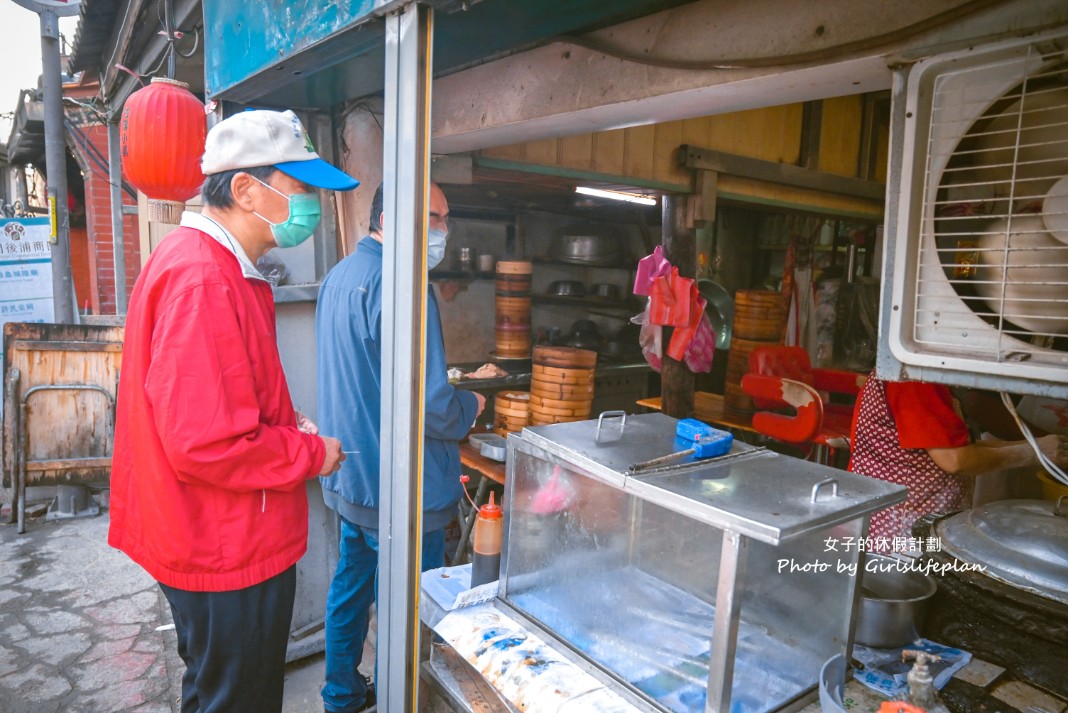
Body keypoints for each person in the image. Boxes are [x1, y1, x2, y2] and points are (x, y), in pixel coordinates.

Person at [109, 109, 357, 713]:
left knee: (219, 691)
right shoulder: (204, 278)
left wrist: (279, 424)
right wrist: (310, 453)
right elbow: (205, 443)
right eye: (301, 191)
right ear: (246, 189)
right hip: (221, 544)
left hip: (214, 532)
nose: (312, 208)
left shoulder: (215, 266)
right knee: (236, 699)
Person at [316, 182, 486, 713]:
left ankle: (341, 695)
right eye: (433, 217)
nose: (441, 229)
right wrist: (472, 405)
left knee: (351, 588)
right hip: (404, 492)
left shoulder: (340, 277)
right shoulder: (405, 286)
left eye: (445, 219)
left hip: (352, 477)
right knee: (412, 607)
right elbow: (433, 403)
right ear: (390, 219)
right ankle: (403, 700)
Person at [848, 371, 1068, 546]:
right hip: (899, 531)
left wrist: (1037, 448)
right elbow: (955, 459)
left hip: (903, 520)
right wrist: (1035, 452)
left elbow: (956, 447)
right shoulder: (915, 380)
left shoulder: (918, 375)